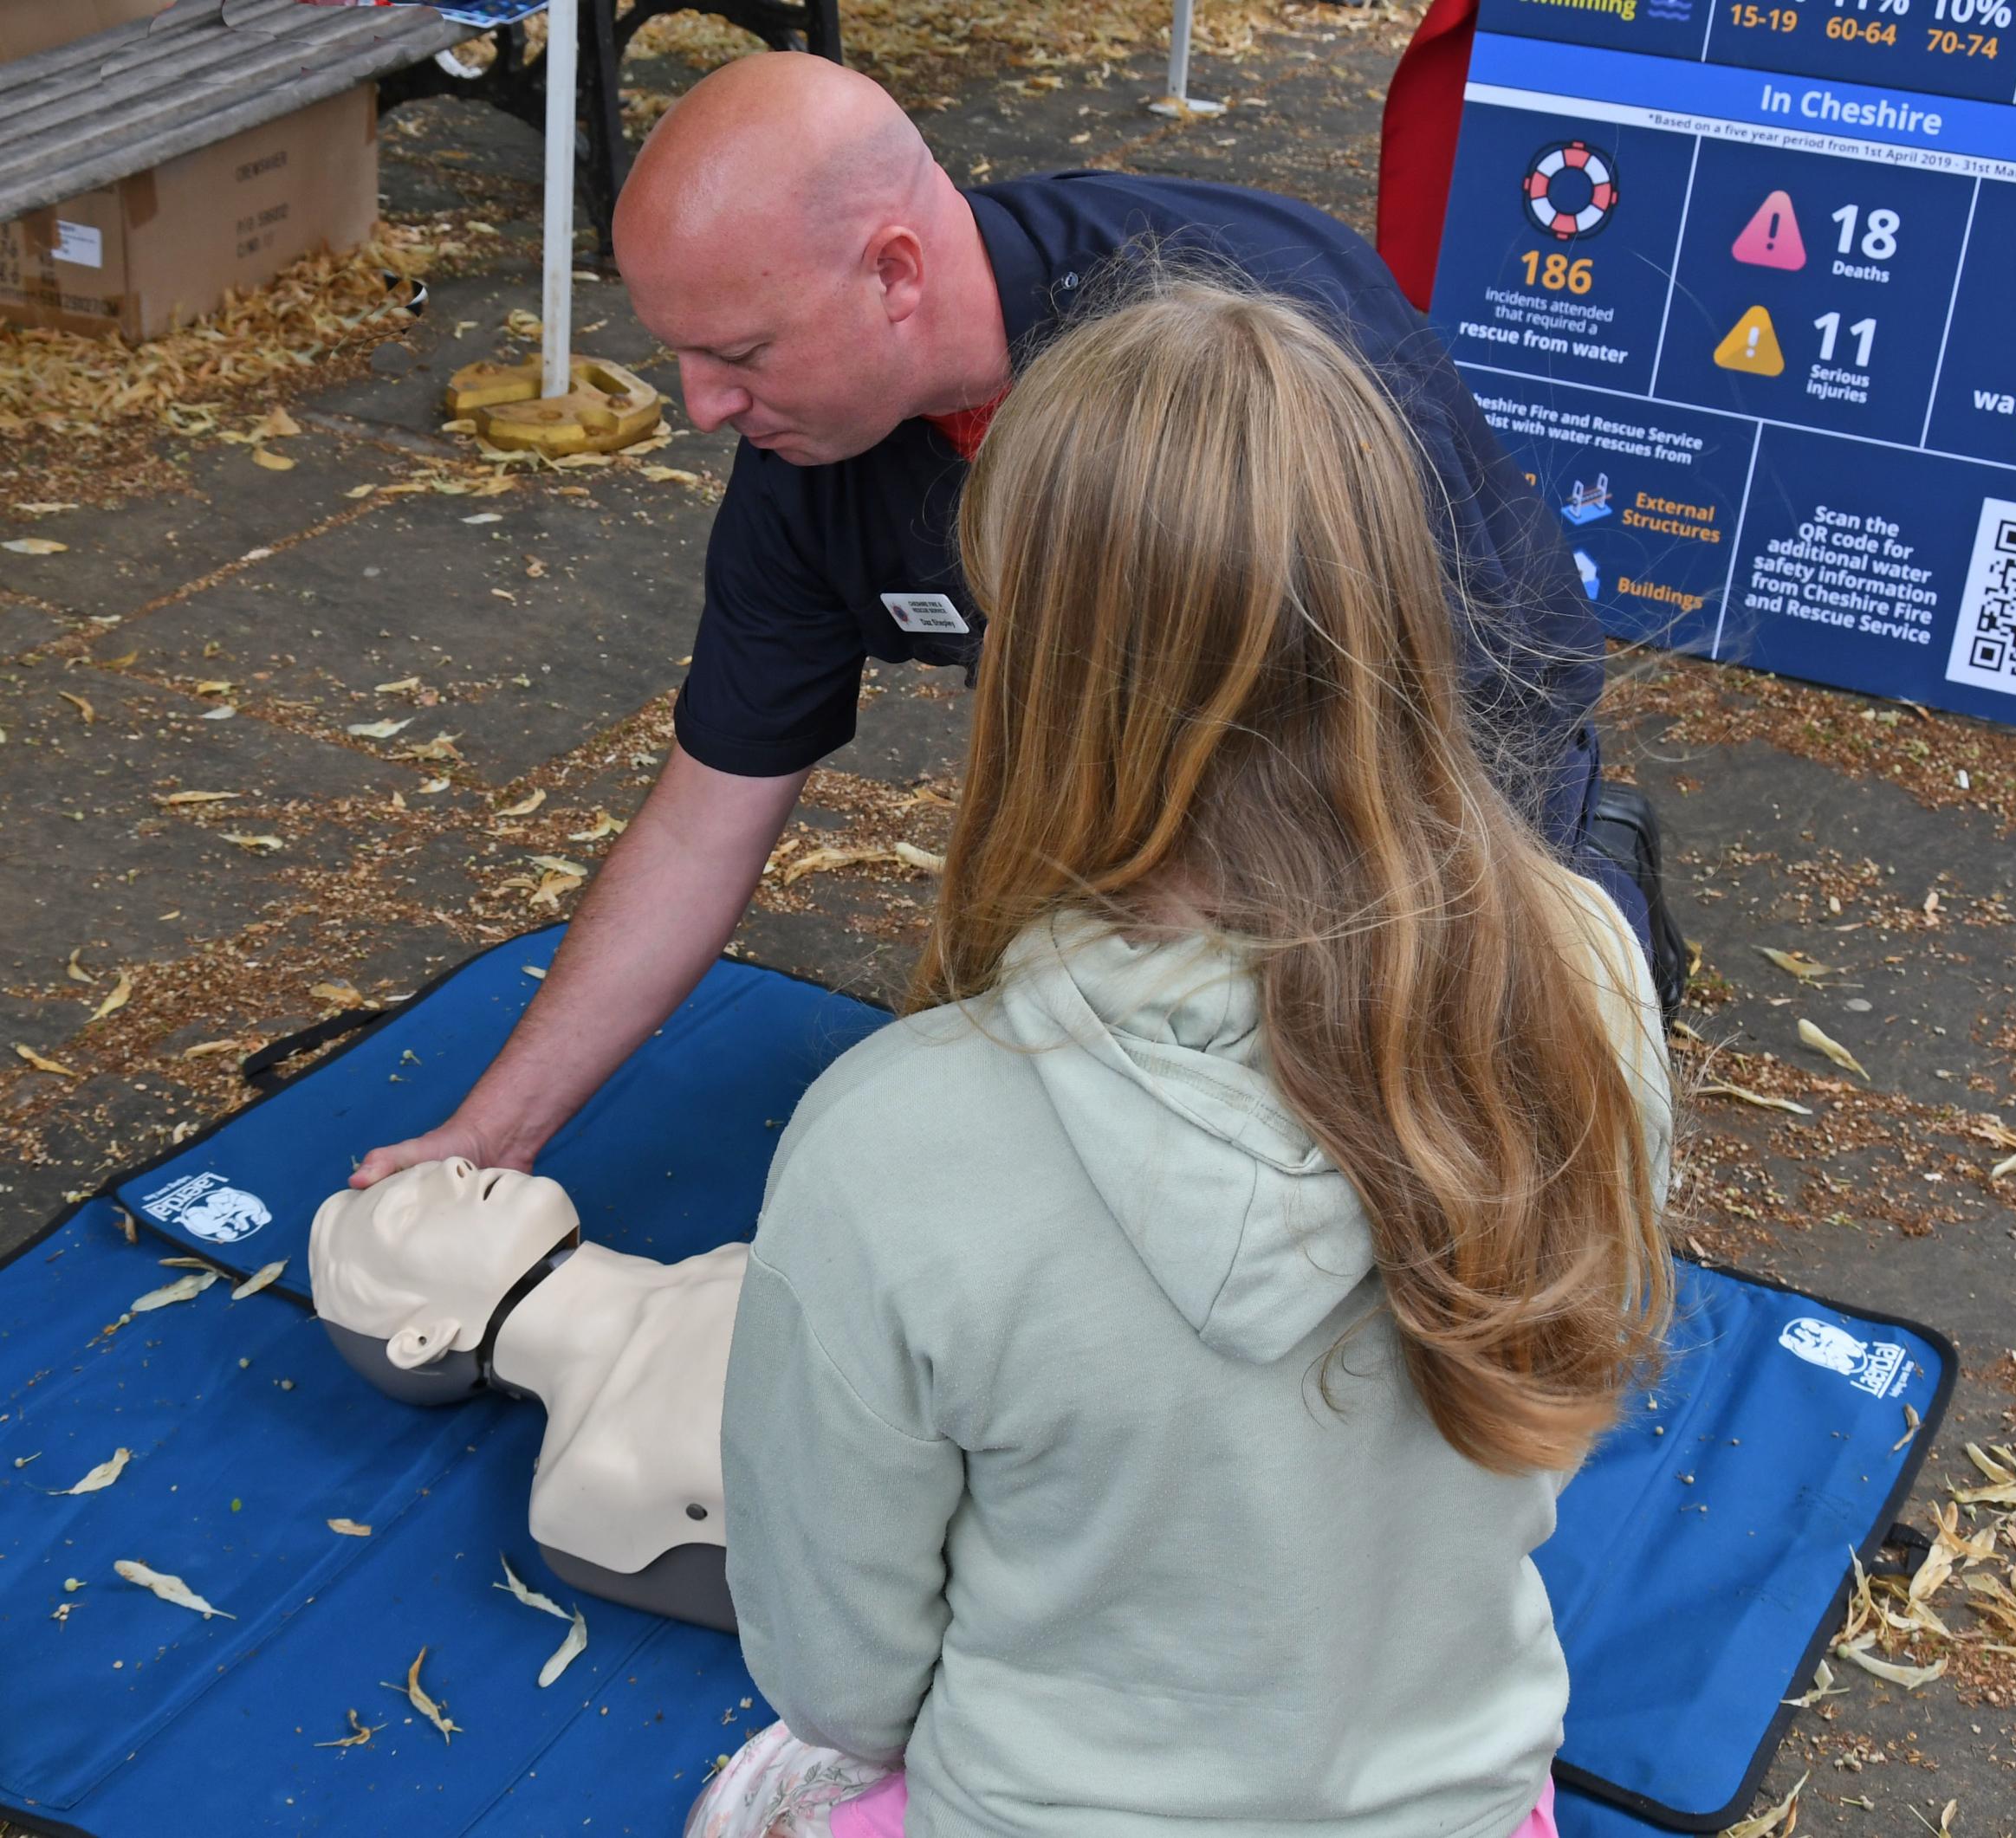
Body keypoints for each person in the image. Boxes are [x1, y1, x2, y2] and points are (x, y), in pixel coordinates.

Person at [690, 279, 1675, 1837]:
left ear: (1044, 674)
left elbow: (842, 1675)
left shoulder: (891, 1144)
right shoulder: (1590, 978)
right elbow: (1542, 1426)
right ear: (1403, 604)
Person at [352, 51, 1680, 1193]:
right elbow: (709, 811)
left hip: (1431, 742)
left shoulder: (1257, 349)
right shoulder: (810, 463)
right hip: (1142, 754)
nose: (700, 407)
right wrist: (491, 1130)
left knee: (1423, 1155)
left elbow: (1396, 775)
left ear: (894, 272)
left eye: (740, 355)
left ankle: (1590, 886)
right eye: (681, 355)